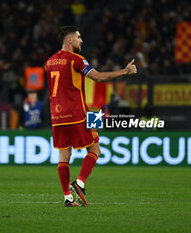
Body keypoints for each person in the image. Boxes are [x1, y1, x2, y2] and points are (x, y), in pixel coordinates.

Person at [45, 26, 137, 207]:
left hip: (56, 116)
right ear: (69, 40)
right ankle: (79, 184)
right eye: (79, 37)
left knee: (64, 156)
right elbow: (99, 77)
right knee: (95, 149)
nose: (81, 40)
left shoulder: (49, 62)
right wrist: (125, 71)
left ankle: (67, 198)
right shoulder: (77, 60)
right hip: (78, 113)